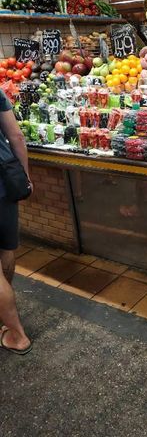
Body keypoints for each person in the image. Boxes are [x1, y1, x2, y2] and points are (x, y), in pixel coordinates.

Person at [0, 88, 32, 355]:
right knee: (6, 250)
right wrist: (26, 178)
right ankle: (4, 311)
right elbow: (17, 136)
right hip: (5, 182)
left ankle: (17, 335)